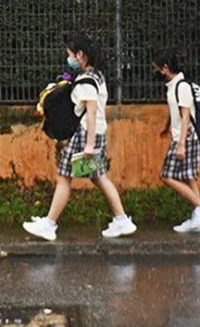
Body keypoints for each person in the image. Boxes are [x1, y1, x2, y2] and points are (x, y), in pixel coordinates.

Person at [23, 34, 137, 241]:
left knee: (65, 177)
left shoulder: (86, 81)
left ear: (80, 55)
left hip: (86, 135)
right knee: (98, 177)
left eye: (70, 55)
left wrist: (89, 145)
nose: (69, 59)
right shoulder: (96, 76)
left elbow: (91, 113)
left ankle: (49, 224)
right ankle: (121, 219)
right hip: (94, 133)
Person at [152, 50, 200, 233]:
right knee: (189, 177)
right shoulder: (173, 86)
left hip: (186, 137)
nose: (155, 71)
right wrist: (167, 127)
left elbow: (186, 115)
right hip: (181, 135)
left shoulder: (182, 86)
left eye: (156, 68)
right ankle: (199, 220)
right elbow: (176, 112)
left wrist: (180, 144)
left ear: (165, 68)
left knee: (166, 176)